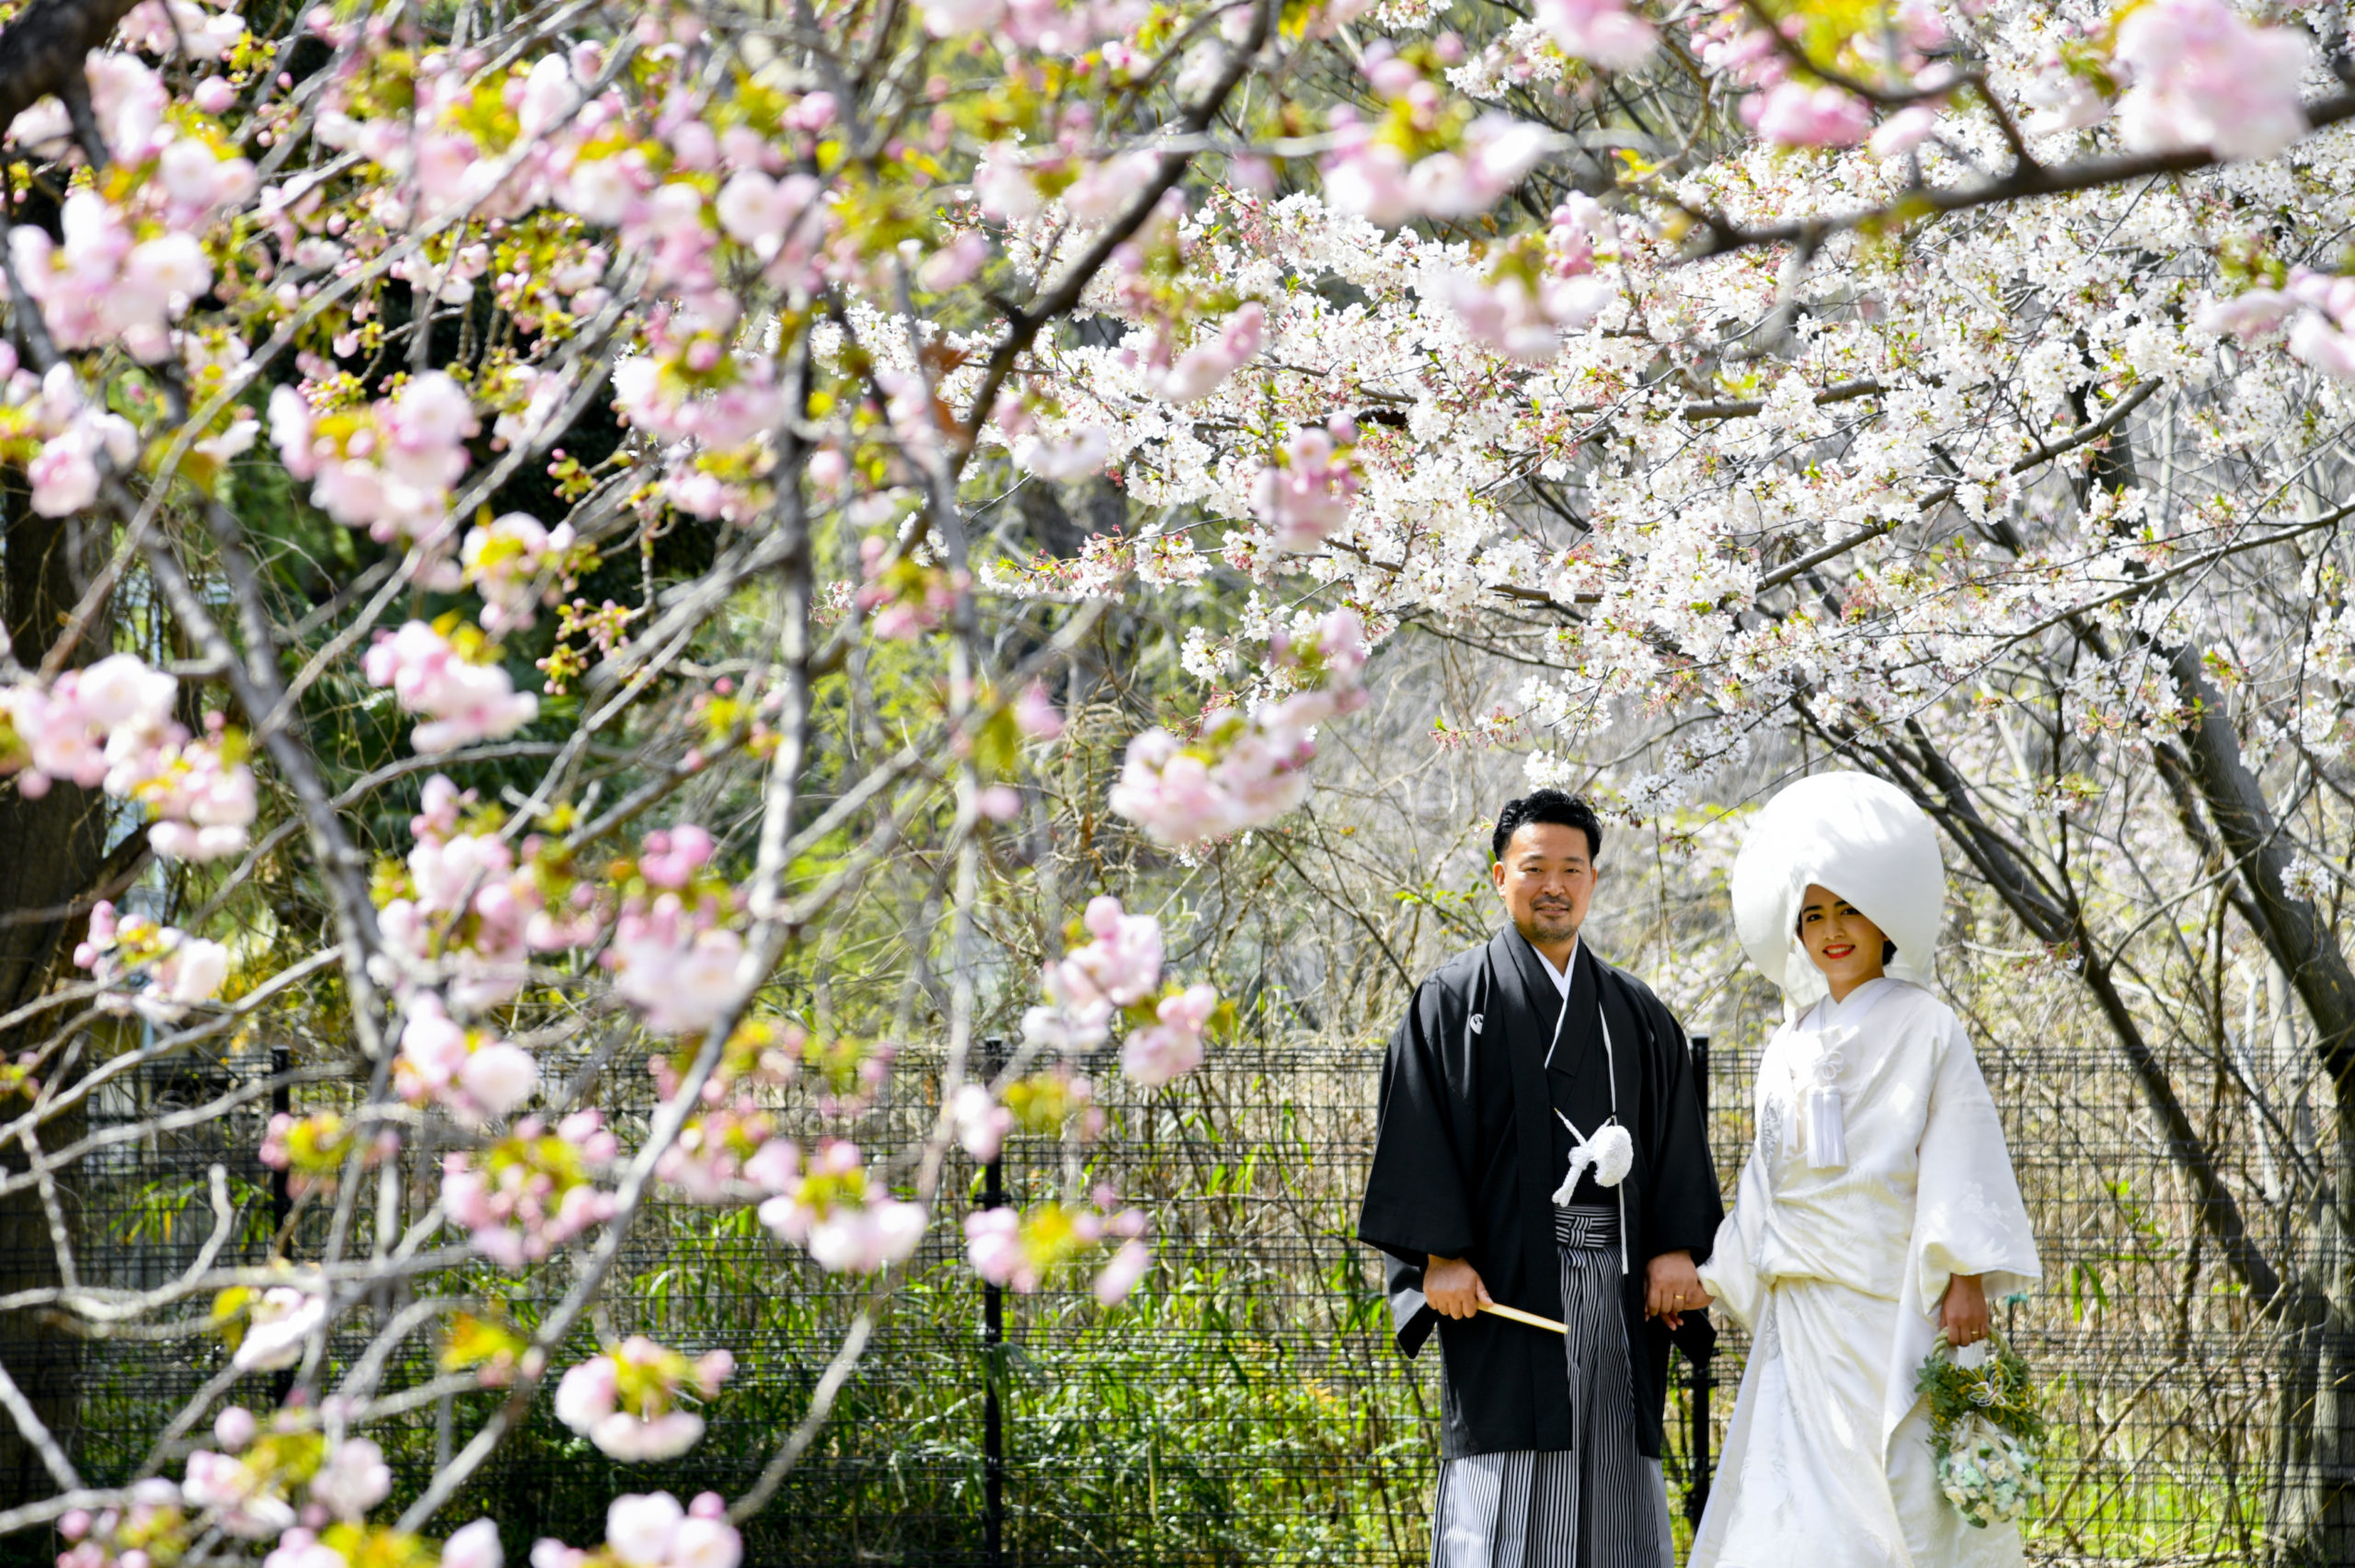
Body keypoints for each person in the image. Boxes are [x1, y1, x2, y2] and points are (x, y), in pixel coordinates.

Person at [1358, 789, 1724, 1568]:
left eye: (1571, 867)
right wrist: (1438, 1258)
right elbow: (1417, 1137)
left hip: (1620, 1285)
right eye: (1534, 868)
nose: (1553, 884)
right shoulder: (1453, 1002)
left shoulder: (1634, 1012)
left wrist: (1674, 1249)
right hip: (1505, 1289)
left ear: (1592, 880)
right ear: (1499, 877)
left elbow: (1677, 1145)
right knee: (1508, 1487)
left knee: (1614, 1480)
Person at [1689, 771, 2042, 1568]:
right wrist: (1715, 1271)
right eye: (1813, 914)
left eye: (1848, 907)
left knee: (1903, 1483)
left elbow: (1962, 1152)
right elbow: (1765, 1180)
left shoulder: (1929, 1025)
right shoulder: (1786, 1044)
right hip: (1805, 1313)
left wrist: (1962, 1276)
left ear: (1886, 917)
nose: (1832, 929)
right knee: (1795, 1495)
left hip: (1897, 1303)